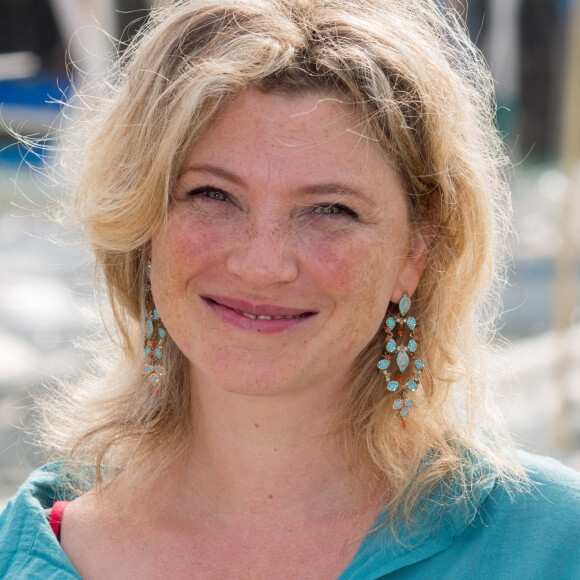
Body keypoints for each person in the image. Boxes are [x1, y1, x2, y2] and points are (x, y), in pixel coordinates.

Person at [1, 0, 579, 578]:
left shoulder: (554, 543)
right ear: (142, 224)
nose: (262, 264)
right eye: (212, 195)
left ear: (415, 251)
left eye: (330, 209)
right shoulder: (25, 554)